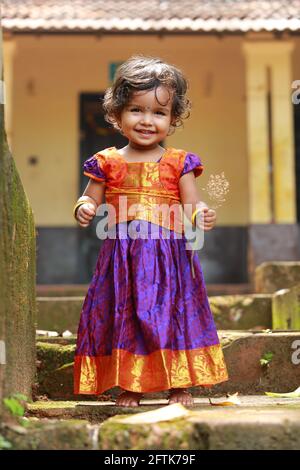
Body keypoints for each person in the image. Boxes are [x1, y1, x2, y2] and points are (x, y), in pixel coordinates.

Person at [73, 55, 228, 407]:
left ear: (173, 120)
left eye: (159, 113)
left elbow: (193, 203)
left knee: (174, 315)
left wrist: (202, 214)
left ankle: (179, 385)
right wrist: (84, 209)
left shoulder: (179, 162)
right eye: (136, 110)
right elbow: (89, 199)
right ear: (117, 114)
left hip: (170, 259)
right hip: (122, 261)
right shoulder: (106, 162)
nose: (147, 121)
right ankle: (131, 385)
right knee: (127, 315)